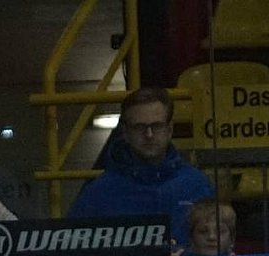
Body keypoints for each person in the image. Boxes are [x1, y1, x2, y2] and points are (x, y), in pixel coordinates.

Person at [70, 86, 214, 247]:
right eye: (139, 127)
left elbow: (218, 246)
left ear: (169, 130)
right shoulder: (98, 194)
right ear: (125, 132)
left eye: (157, 126)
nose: (149, 135)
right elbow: (74, 251)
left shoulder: (196, 186)